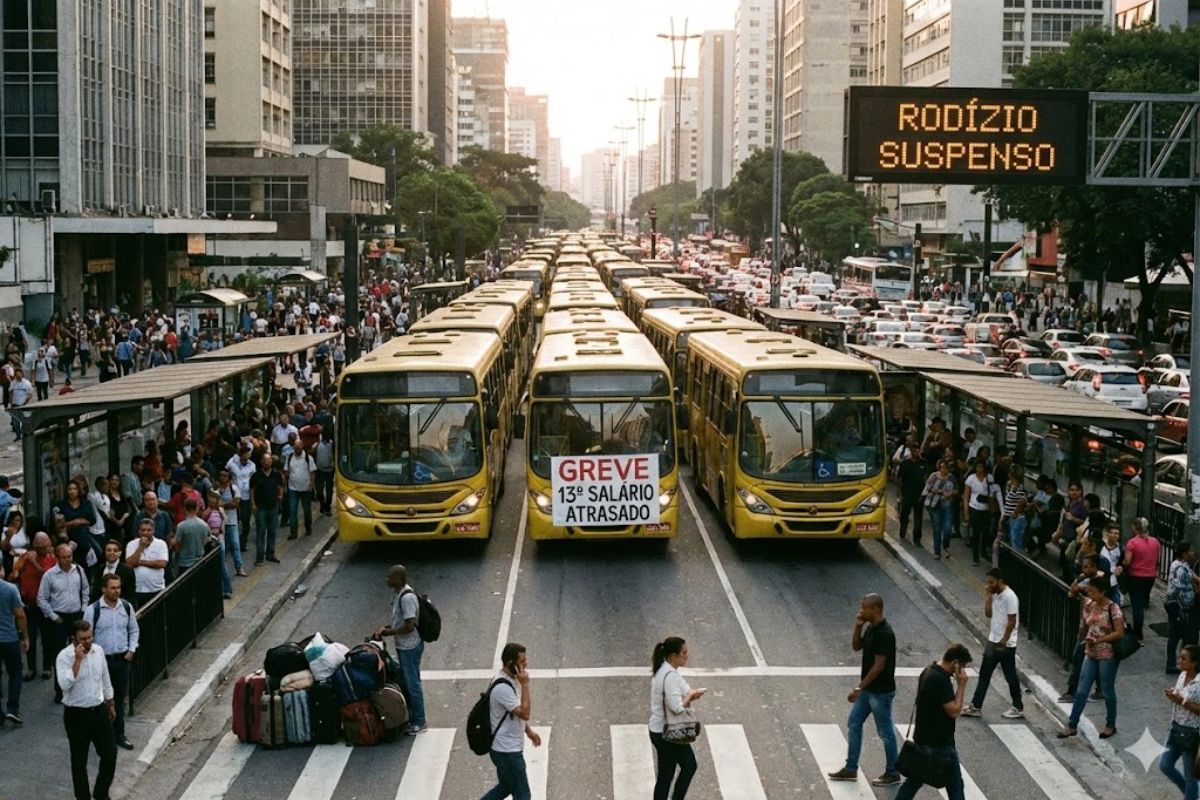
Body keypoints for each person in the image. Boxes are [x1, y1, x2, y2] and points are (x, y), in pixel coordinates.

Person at [828, 594, 900, 786]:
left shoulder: (885, 633)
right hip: (868, 690)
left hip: (880, 692)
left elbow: (879, 666)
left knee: (885, 732)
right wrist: (858, 626)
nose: (861, 611)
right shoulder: (871, 628)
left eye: (864, 608)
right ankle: (851, 768)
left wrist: (859, 687)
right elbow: (856, 646)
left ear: (875, 609)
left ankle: (893, 772)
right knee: (854, 722)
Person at [894, 643, 973, 800]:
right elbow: (954, 711)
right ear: (955, 663)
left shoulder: (928, 671)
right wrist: (961, 685)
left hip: (922, 739)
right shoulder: (941, 680)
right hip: (941, 743)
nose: (962, 671)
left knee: (913, 782)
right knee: (955, 786)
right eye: (962, 666)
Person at [57, 620, 117, 800]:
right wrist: (77, 660)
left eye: (90, 637)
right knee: (79, 761)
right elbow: (64, 684)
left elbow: (105, 678)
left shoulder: (98, 651)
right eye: (83, 639)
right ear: (74, 639)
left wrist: (110, 703)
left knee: (110, 753)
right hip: (76, 714)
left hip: (97, 710)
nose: (88, 641)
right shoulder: (64, 657)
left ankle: (101, 793)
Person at [1059, 579, 1124, 739]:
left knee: (1107, 690)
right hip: (1090, 651)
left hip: (1107, 654)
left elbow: (1119, 632)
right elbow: (1085, 625)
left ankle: (1110, 724)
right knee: (1082, 690)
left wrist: (1101, 639)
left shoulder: (1113, 608)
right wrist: (1084, 640)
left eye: (1093, 592)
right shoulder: (1088, 604)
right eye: (1089, 591)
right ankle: (1072, 724)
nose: (1090, 594)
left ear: (1102, 592)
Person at [480, 642, 542, 800]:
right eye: (522, 662)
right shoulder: (503, 688)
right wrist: (525, 685)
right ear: (510, 663)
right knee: (523, 795)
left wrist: (528, 731)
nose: (525, 665)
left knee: (505, 787)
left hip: (503, 749)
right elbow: (525, 713)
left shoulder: (507, 680)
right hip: (507, 752)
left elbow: (513, 712)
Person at [962, 569, 1024, 720]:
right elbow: (988, 614)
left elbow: (1012, 622)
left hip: (1006, 644)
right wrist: (988, 598)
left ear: (1000, 581)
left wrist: (1004, 641)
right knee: (984, 674)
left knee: (1010, 676)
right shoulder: (995, 594)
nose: (988, 585)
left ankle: (1018, 707)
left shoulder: (1010, 597)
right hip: (993, 640)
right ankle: (976, 706)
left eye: (991, 582)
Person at [373, 564, 426, 734]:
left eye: (390, 577)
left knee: (413, 684)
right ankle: (412, 715)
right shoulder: (399, 594)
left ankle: (420, 722)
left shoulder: (406, 598)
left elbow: (410, 626)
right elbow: (400, 621)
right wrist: (386, 628)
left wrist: (389, 632)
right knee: (408, 681)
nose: (387, 580)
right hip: (404, 646)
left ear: (399, 578)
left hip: (410, 646)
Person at [648, 637, 703, 800]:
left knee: (688, 766)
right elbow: (676, 707)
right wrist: (690, 697)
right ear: (673, 656)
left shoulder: (667, 670)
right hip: (667, 733)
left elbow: (685, 689)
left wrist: (692, 693)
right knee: (667, 776)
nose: (687, 655)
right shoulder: (669, 675)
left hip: (664, 730)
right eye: (684, 653)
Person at [87, 573, 138, 750]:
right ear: (104, 589)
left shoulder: (126, 607)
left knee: (119, 697)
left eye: (118, 588)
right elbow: (86, 637)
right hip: (102, 662)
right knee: (100, 699)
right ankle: (102, 735)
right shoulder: (93, 610)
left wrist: (131, 650)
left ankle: (119, 733)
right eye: (113, 588)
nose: (116, 591)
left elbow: (134, 630)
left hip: (121, 660)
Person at [37, 543, 90, 703]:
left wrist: (83, 609)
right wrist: (53, 616)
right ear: (57, 558)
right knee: (60, 655)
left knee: (81, 651)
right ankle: (60, 690)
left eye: (70, 556)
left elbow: (85, 590)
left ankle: (79, 686)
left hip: (76, 616)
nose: (68, 560)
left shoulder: (79, 570)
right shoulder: (49, 575)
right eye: (64, 557)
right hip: (59, 618)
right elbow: (41, 598)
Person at [1159, 644, 1200, 800]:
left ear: (1194, 663)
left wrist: (1181, 701)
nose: (1179, 660)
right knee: (1165, 765)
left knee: (1190, 775)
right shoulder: (1182, 675)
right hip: (1175, 728)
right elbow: (1180, 696)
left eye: (1183, 658)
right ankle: (1192, 794)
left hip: (1191, 733)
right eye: (1179, 657)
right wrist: (1173, 695)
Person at [1124, 517, 1161, 642]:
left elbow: (1127, 561)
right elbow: (1157, 559)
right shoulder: (1155, 542)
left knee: (1137, 606)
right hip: (1150, 577)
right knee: (1143, 601)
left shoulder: (1132, 543)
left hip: (1136, 577)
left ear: (1135, 528)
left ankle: (1138, 633)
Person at [1166, 541, 1200, 676]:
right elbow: (1180, 590)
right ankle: (1181, 664)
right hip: (1180, 608)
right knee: (1181, 636)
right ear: (1184, 553)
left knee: (1175, 636)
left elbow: (1194, 577)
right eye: (1190, 551)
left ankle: (1173, 663)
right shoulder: (1181, 569)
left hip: (1178, 606)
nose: (1193, 553)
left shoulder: (1182, 565)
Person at [0, 568, 29, 724]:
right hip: (8, 638)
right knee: (15, 672)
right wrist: (25, 637)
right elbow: (20, 614)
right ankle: (12, 708)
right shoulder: (10, 589)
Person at [124, 519, 169, 608]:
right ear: (139, 531)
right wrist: (141, 547)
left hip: (156, 588)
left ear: (153, 531)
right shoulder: (131, 544)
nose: (146, 533)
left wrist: (141, 562)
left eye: (149, 530)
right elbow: (130, 564)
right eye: (143, 530)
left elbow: (162, 563)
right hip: (138, 589)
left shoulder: (161, 544)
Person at [249, 453, 284, 566]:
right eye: (265, 460)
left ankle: (270, 554)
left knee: (272, 532)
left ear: (272, 462)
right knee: (261, 532)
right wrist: (253, 504)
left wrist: (280, 495)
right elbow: (252, 490)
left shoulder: (276, 475)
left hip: (273, 507)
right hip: (261, 508)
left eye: (269, 460)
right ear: (261, 462)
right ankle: (260, 557)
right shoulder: (256, 476)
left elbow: (280, 487)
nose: (267, 462)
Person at [962, 459, 998, 566]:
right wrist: (966, 512)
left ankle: (984, 552)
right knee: (976, 533)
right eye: (978, 467)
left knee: (986, 532)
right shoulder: (971, 479)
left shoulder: (989, 478)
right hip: (974, 508)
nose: (980, 469)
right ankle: (975, 557)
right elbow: (966, 496)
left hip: (986, 509)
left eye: (982, 467)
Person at [924, 460, 957, 560]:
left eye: (945, 468)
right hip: (935, 505)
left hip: (946, 505)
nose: (943, 470)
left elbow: (956, 490)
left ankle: (945, 545)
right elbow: (928, 486)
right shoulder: (934, 476)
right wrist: (940, 491)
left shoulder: (952, 478)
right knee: (937, 527)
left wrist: (950, 493)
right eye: (942, 468)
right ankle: (937, 551)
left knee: (947, 528)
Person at [284, 443, 316, 540]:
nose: (297, 447)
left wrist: (311, 484)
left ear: (302, 446)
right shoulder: (290, 457)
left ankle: (308, 527)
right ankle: (293, 532)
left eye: (299, 445)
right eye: (296, 446)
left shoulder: (308, 458)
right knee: (292, 511)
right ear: (293, 447)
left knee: (307, 510)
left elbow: (312, 472)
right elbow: (286, 471)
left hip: (305, 489)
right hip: (293, 489)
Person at [216, 470, 245, 577]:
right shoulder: (215, 490)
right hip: (219, 522)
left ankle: (239, 567)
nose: (223, 477)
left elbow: (235, 504)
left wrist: (222, 505)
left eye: (225, 476)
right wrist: (226, 504)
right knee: (222, 548)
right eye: (221, 475)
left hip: (232, 521)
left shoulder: (234, 488)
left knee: (235, 545)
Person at [895, 446, 924, 544]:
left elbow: (926, 478)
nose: (918, 453)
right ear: (912, 452)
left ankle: (917, 539)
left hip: (919, 495)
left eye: (919, 451)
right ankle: (902, 532)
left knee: (918, 518)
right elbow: (900, 479)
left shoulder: (923, 463)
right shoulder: (905, 464)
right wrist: (899, 493)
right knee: (904, 515)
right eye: (916, 451)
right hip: (907, 494)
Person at [174, 498, 209, 575]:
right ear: (197, 508)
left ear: (185, 509)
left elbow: (178, 545)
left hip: (184, 563)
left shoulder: (181, 526)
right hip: (199, 561)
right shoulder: (204, 525)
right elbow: (205, 541)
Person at [314, 429, 335, 516]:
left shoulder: (332, 444)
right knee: (319, 491)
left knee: (329, 491)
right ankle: (323, 505)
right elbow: (312, 451)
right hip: (320, 471)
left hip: (329, 471)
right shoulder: (317, 445)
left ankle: (327, 507)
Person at [8, 367, 31, 439]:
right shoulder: (13, 383)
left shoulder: (26, 383)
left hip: (24, 405)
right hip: (15, 404)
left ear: (22, 374)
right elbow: (10, 393)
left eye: (19, 374)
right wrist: (10, 403)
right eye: (17, 374)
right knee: (15, 422)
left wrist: (25, 402)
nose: (18, 376)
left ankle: (25, 434)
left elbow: (30, 395)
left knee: (24, 421)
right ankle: (18, 435)